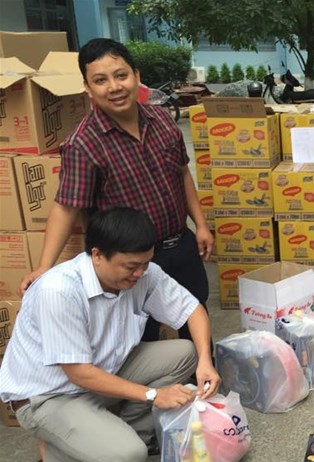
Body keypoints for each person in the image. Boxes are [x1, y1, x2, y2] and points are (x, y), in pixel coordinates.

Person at [0, 208, 220, 462]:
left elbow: (192, 310)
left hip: (103, 371)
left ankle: (127, 431)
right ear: (97, 255)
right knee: (126, 460)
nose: (139, 273)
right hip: (50, 396)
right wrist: (154, 395)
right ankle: (54, 456)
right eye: (130, 266)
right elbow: (79, 373)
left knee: (185, 352)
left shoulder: (143, 273)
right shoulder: (59, 290)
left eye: (145, 263)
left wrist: (205, 361)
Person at [19, 38, 213, 343]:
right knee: (140, 338)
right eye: (100, 80)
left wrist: (200, 224)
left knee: (196, 315)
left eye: (121, 75)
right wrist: (45, 267)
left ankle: (203, 373)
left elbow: (182, 173)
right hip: (130, 262)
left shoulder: (162, 120)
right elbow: (66, 207)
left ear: (136, 76)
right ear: (87, 87)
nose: (114, 87)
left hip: (180, 244)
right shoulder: (83, 144)